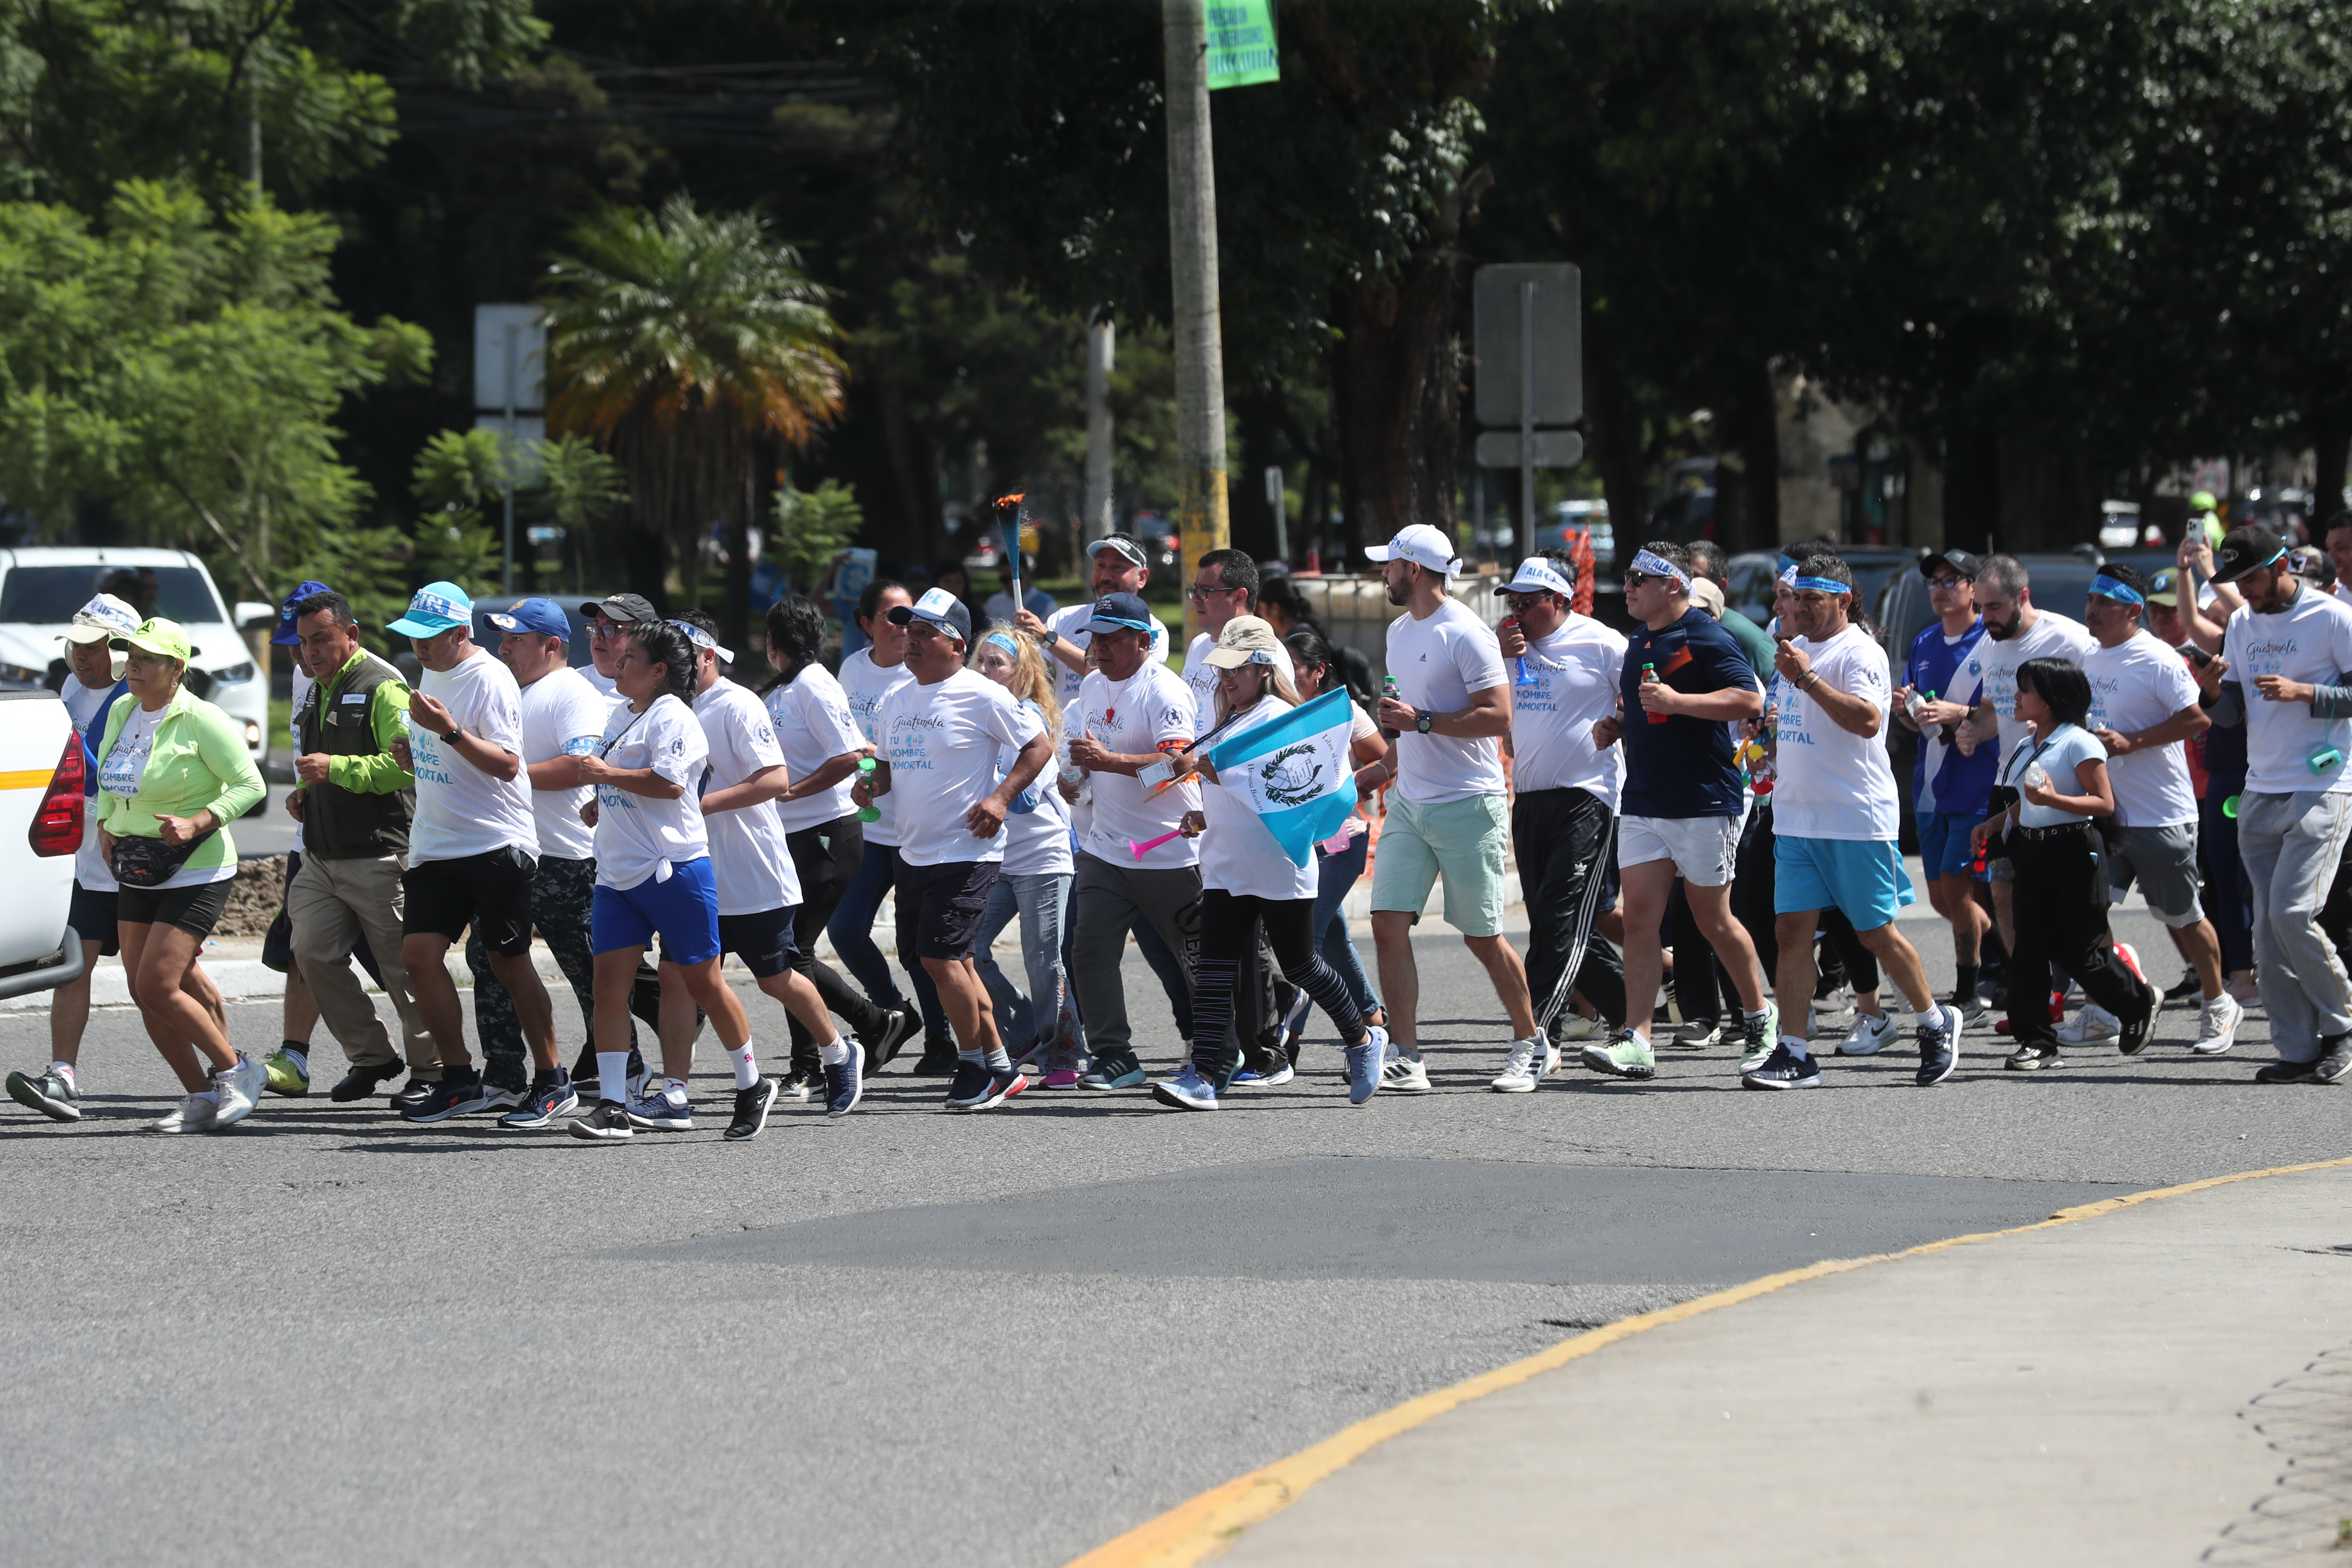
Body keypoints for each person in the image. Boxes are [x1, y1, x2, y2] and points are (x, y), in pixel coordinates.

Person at [1753, 555, 1966, 1090]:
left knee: (1874, 932)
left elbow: (1869, 721)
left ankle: (1934, 1021)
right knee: (1790, 933)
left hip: (1853, 818)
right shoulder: (1794, 652)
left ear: (1843, 601)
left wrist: (1805, 681)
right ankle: (1796, 1052)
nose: (1799, 608)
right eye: (1795, 598)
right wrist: (1769, 740)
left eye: (1812, 600)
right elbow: (1802, 726)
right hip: (1796, 817)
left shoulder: (1860, 652)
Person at [1156, 616, 1388, 1108]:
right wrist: (1202, 811)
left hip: (1280, 864)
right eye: (1222, 670)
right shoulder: (1225, 719)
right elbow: (1225, 784)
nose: (1226, 678)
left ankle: (1363, 1040)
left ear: (1263, 668)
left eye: (1236, 669)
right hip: (1225, 863)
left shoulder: (1282, 718)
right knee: (1217, 969)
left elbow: (1287, 787)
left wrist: (1218, 777)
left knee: (1302, 965)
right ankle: (1203, 1076)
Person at [571, 619, 778, 1141]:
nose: (618, 663)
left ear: (659, 670)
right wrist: (605, 800)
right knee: (608, 989)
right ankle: (615, 1106)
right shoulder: (624, 713)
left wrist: (606, 777)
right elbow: (624, 774)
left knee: (703, 983)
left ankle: (751, 1085)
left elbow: (666, 784)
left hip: (675, 871)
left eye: (630, 658)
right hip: (617, 876)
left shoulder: (677, 717)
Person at [853, 587, 1052, 1111]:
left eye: (924, 634)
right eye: (907, 631)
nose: (910, 642)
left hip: (968, 850)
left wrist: (1001, 798)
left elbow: (1039, 744)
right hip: (913, 851)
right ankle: (1002, 1067)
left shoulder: (982, 694)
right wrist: (870, 786)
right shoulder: (897, 698)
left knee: (941, 960)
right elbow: (889, 769)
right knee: (953, 962)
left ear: (957, 645)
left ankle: (972, 1068)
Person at [1364, 523, 1543, 1090]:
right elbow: (1403, 721)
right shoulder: (1397, 631)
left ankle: (1531, 1043)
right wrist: (1380, 769)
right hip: (1412, 804)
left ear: (1412, 570)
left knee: (1482, 937)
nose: (1383, 574)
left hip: (1470, 804)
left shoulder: (1465, 632)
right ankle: (1408, 1054)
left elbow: (1498, 715)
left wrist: (1420, 720)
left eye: (1388, 565)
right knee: (1388, 924)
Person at [1586, 541, 1775, 1080]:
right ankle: (1638, 1040)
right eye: (1627, 578)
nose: (1628, 587)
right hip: (1645, 799)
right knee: (1642, 921)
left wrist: (1679, 703)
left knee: (1712, 919)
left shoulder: (1707, 635)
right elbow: (1644, 708)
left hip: (1704, 800)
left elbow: (1749, 701)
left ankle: (1760, 1016)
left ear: (1673, 585)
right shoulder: (1639, 640)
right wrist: (1618, 728)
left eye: (1640, 579)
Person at [383, 583, 562, 1124]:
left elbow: (509, 764)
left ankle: (553, 1081)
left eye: (429, 638)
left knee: (509, 963)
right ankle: (460, 1079)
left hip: (495, 842)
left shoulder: (490, 678)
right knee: (418, 957)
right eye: (412, 636)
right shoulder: (433, 669)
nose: (419, 647)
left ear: (461, 634)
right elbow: (445, 756)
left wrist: (449, 731)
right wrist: (414, 753)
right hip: (437, 844)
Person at [676, 609, 861, 1121]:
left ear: (706, 656)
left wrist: (706, 804)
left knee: (776, 975)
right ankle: (675, 1090)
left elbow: (792, 776)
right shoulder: (671, 708)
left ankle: (838, 1052)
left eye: (680, 655)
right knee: (683, 977)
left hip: (759, 861)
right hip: (694, 867)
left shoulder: (739, 703)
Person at [7, 594, 186, 1121]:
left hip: (136, 866)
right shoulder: (70, 690)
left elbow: (106, 776)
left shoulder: (137, 701)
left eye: (93, 647)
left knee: (164, 982)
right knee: (72, 970)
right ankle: (63, 1075)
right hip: (86, 868)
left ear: (123, 649)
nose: (79, 656)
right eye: (75, 645)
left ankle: (226, 1067)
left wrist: (69, 754)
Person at [469, 596, 645, 1128]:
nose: (504, 648)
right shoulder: (513, 690)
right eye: (502, 638)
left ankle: (629, 1074)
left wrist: (503, 771)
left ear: (551, 645)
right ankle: (504, 1076)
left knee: (589, 973)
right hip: (511, 849)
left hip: (566, 857)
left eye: (516, 639)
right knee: (489, 960)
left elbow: (579, 765)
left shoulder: (571, 693)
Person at [94, 618, 267, 1132]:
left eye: (148, 659)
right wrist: (106, 820)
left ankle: (240, 1070)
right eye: (131, 656)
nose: (134, 667)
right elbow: (107, 771)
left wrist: (199, 821)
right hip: (138, 865)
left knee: (157, 983)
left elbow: (250, 784)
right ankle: (199, 1096)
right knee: (141, 987)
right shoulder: (124, 709)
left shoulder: (203, 719)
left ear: (177, 669)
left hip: (198, 867)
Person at [2071, 564, 2239, 1055]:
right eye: (2091, 600)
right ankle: (2110, 1004)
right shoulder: (2089, 656)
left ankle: (2219, 1002)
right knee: (2086, 912)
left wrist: (2131, 743)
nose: (2094, 610)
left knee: (2182, 916)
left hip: (2161, 815)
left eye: (2105, 603)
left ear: (2133, 611)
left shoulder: (2157, 658)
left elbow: (2196, 718)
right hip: (2108, 814)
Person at [282, 589, 441, 1103]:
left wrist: (336, 770)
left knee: (404, 969)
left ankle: (433, 1071)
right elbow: (318, 762)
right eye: (305, 643)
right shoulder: (315, 690)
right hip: (322, 856)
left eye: (322, 639)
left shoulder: (383, 688)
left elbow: (402, 767)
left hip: (378, 852)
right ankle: (372, 1056)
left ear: (351, 635)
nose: (310, 652)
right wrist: (305, 794)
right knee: (311, 953)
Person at [2207, 524, 2352, 1083]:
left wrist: (2307, 694)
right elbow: (2230, 714)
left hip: (2324, 784)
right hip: (2260, 788)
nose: (2243, 589)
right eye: (2235, 580)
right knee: (2266, 930)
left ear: (2283, 565)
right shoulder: (2241, 623)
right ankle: (2297, 1049)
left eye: (2251, 577)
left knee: (2294, 914)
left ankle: (2341, 1026)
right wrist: (2211, 688)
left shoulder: (2332, 616)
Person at [760, 595, 919, 1090]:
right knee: (790, 951)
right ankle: (863, 1031)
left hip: (829, 832)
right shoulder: (784, 687)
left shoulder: (814, 685)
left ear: (773, 643)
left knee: (792, 952)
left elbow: (852, 755)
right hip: (795, 835)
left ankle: (848, 1040)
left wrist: (793, 791)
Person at [1972, 658, 2158, 1069]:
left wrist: (2054, 800)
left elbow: (2104, 803)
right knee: (2029, 950)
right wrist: (1995, 823)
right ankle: (2037, 1040)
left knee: (2081, 953)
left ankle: (2137, 1001)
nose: (2016, 697)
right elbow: (2028, 801)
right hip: (2032, 852)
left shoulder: (2080, 742)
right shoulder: (2027, 744)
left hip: (2075, 852)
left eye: (2027, 690)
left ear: (2053, 700)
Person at [1492, 553, 1628, 1089]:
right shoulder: (1505, 647)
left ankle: (1536, 1039)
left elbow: (1642, 697)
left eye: (1528, 603)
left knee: (1556, 921)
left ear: (1559, 601)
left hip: (1586, 797)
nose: (1518, 612)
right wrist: (1502, 656)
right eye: (1514, 603)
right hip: (1529, 798)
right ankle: (1631, 1016)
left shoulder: (1601, 641)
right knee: (1562, 923)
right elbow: (1494, 708)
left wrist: (1618, 725)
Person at [1063, 591, 1204, 1090]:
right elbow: (1088, 763)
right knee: (1088, 952)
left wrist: (1109, 763)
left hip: (1167, 850)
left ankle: (1224, 1051)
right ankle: (1115, 1057)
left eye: (1109, 639)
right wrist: (1077, 780)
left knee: (1195, 960)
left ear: (1142, 642)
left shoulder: (1164, 691)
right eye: (1093, 638)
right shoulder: (1093, 687)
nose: (1097, 648)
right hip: (1106, 849)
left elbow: (1181, 766)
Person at [1954, 555, 2098, 979]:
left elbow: (2098, 705)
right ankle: (2028, 988)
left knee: (2068, 895)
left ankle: (2096, 976)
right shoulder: (1989, 641)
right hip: (2007, 783)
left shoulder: (2069, 639)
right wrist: (1973, 731)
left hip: (2059, 784)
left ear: (2024, 596)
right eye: (1980, 607)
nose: (1986, 618)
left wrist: (2060, 727)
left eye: (1995, 607)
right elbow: (1993, 709)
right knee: (2002, 891)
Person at [832, 578, 952, 1071]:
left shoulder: (917, 675)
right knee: (845, 930)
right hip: (867, 825)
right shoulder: (852, 670)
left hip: (912, 833)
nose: (905, 629)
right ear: (866, 625)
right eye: (893, 617)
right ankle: (895, 1012)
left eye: (912, 619)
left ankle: (942, 1040)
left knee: (917, 947)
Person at [967, 628, 1085, 1086]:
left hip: (1042, 856)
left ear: (1021, 674)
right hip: (997, 859)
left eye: (996, 663)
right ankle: (1026, 1031)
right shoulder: (975, 717)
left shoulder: (1028, 716)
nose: (985, 670)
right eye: (981, 661)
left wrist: (990, 781)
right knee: (968, 952)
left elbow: (1023, 800)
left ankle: (1065, 1055)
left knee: (1044, 957)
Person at [1893, 550, 1997, 1025]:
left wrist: (1958, 714)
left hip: (1976, 784)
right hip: (1930, 784)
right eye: (1933, 581)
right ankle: (2006, 956)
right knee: (1940, 898)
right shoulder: (1924, 642)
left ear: (1976, 588)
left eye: (1951, 579)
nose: (1940, 588)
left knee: (1958, 893)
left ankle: (1970, 990)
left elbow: (2008, 712)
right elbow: (1920, 714)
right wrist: (1909, 712)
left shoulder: (1992, 642)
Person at [1285, 626, 1388, 1033]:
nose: (1286, 674)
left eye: (1293, 667)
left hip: (1343, 842)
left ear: (1318, 671)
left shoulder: (1344, 710)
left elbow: (1385, 760)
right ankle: (1375, 1021)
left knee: (1304, 942)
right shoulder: (1274, 715)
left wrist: (1346, 787)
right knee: (1334, 942)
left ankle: (1286, 1039)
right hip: (1297, 847)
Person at [1017, 532, 1172, 710]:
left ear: (1142, 578)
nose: (1106, 576)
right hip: (1065, 736)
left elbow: (1104, 675)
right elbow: (1029, 675)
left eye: (1118, 568)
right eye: (1100, 566)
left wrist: (1049, 639)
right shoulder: (1063, 618)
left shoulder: (1151, 631)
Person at [1686, 540, 1775, 682]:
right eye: (1682, 576)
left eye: (1695, 578)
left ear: (1721, 586)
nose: (1686, 585)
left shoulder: (1750, 640)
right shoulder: (1664, 630)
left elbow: (1774, 691)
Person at [985, 554, 1057, 632]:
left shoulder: (1046, 603)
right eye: (1005, 579)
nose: (1011, 584)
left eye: (1017, 578)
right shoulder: (994, 603)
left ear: (1028, 574)